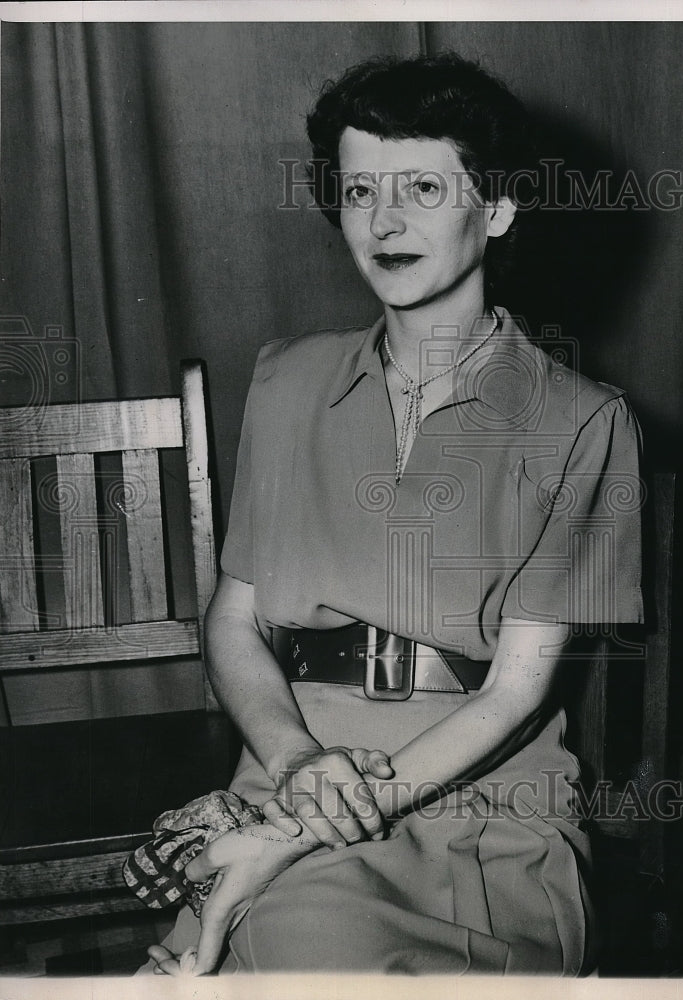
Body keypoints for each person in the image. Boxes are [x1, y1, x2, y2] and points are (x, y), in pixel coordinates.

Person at [143, 52, 643, 977]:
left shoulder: (581, 420)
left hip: (480, 797)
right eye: (360, 188)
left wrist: (288, 837)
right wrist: (295, 767)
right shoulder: (286, 380)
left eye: (421, 185)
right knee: (290, 945)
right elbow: (235, 616)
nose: (383, 220)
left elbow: (516, 691)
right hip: (300, 751)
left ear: (494, 209)